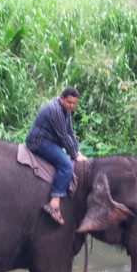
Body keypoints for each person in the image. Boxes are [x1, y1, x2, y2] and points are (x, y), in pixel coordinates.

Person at [25, 86, 87, 224]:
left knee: (69, 156)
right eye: (69, 102)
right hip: (38, 142)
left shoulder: (66, 110)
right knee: (66, 165)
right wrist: (74, 156)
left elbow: (70, 131)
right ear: (62, 99)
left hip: (50, 140)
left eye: (74, 103)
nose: (72, 105)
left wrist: (77, 151)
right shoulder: (55, 110)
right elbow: (63, 136)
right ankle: (54, 202)